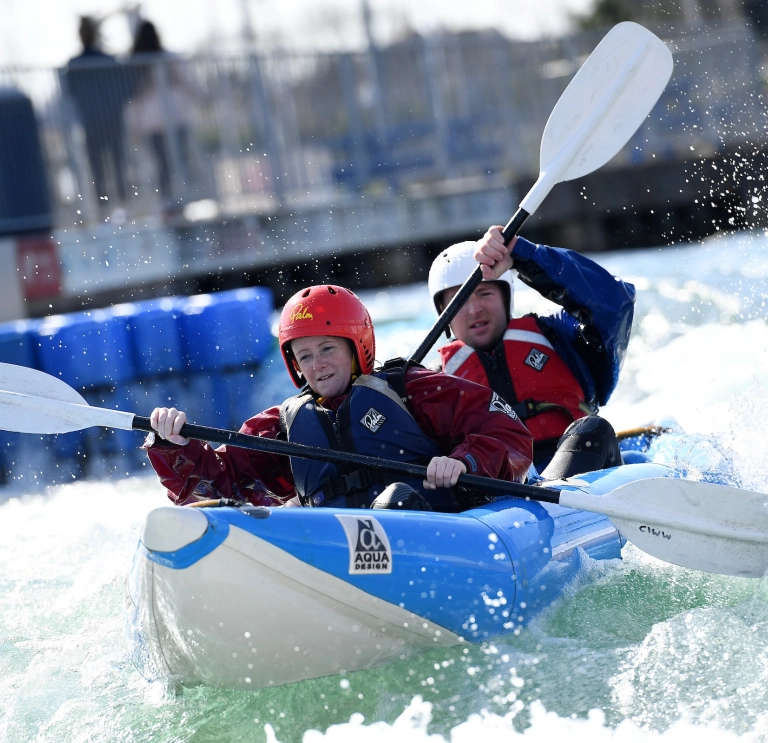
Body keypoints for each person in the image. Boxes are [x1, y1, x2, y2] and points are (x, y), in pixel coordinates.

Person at [145, 284, 533, 510]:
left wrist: (464, 461)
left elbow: (508, 434)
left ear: (356, 346)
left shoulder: (411, 390)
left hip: (432, 523)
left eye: (327, 349)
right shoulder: (285, 424)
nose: (317, 366)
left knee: (397, 499)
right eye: (305, 357)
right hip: (342, 550)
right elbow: (217, 484)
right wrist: (173, 444)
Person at [428, 227, 636, 476]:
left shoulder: (559, 335)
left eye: (484, 293)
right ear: (443, 316)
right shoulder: (434, 385)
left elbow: (614, 301)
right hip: (495, 488)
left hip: (578, 471)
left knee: (593, 430)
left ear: (506, 298)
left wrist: (524, 255)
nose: (474, 310)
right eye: (459, 301)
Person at [63, 16, 130, 204]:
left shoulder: (74, 64)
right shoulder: (109, 60)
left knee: (97, 166)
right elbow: (124, 87)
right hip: (111, 118)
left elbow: (70, 92)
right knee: (118, 162)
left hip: (91, 120)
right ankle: (123, 204)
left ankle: (104, 208)